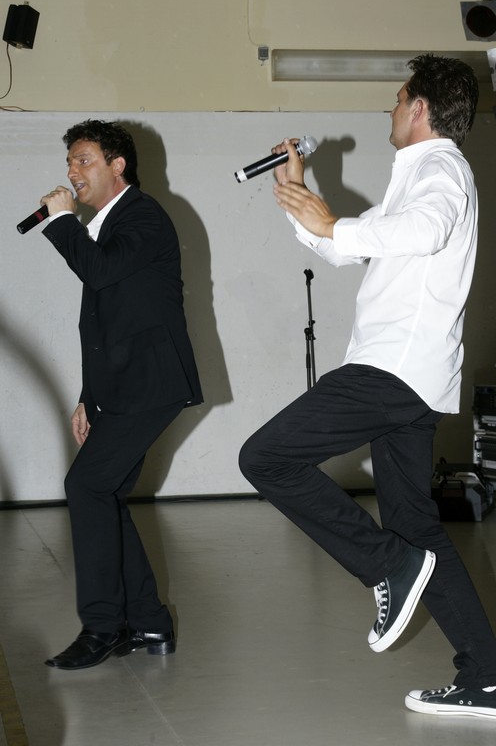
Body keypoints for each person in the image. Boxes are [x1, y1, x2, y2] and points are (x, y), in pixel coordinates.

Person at [239, 54, 496, 717]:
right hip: (409, 377)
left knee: (265, 458)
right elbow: (348, 248)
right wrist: (302, 199)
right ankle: (487, 675)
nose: (390, 109)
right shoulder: (418, 176)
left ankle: (386, 565)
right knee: (416, 528)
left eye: (398, 98)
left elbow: (424, 229)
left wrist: (331, 222)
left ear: (420, 108)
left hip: (392, 370)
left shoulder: (440, 170)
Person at [41, 120, 202, 670]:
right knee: (103, 493)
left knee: (85, 485)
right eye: (69, 161)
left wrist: (62, 220)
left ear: (118, 165)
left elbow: (100, 271)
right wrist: (89, 396)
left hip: (151, 383)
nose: (72, 171)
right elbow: (104, 323)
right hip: (122, 385)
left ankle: (103, 627)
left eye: (83, 159)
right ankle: (150, 623)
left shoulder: (143, 216)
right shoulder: (107, 224)